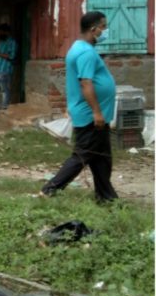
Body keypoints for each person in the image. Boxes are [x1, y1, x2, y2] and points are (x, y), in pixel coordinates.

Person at [40, 12, 118, 203]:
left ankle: (106, 198)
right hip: (91, 115)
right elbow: (86, 83)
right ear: (94, 29)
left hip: (93, 114)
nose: (105, 31)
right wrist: (97, 112)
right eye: (104, 27)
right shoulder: (85, 53)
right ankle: (50, 189)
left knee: (101, 158)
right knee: (81, 156)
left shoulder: (80, 47)